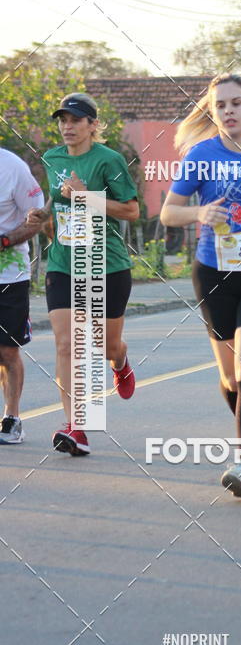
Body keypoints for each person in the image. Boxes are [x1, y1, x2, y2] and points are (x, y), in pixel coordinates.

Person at [160, 73, 241, 498]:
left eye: (237, 103)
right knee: (230, 377)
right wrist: (198, 216)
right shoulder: (201, 156)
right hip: (214, 272)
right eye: (221, 106)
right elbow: (168, 214)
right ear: (213, 113)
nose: (229, 111)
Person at [28, 93, 139, 456]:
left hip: (107, 265)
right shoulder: (52, 157)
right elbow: (57, 198)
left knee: (106, 346)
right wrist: (44, 214)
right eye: (62, 120)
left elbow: (131, 210)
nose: (67, 126)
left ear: (93, 125)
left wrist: (87, 196)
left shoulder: (110, 160)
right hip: (63, 264)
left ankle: (120, 362)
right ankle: (77, 426)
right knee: (66, 344)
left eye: (75, 120)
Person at [0, 147, 45, 444]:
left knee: (6, 351)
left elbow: (37, 219)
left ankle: (12, 418)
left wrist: (4, 240)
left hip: (9, 277)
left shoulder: (12, 167)